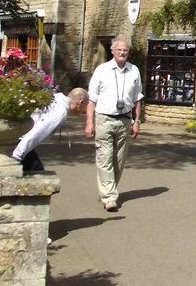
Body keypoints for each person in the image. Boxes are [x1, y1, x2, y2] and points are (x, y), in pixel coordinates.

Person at [85, 37, 143, 212]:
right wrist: (89, 122)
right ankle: (110, 197)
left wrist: (137, 121)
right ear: (112, 51)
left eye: (125, 50)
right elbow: (92, 99)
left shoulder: (134, 71)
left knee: (119, 160)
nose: (122, 53)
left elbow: (138, 98)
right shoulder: (102, 70)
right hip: (104, 118)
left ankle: (107, 189)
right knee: (105, 157)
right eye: (119, 50)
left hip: (125, 119)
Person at [13, 87, 88, 171]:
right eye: (85, 107)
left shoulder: (56, 98)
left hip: (19, 139)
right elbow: (36, 134)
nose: (83, 112)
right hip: (19, 143)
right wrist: (16, 157)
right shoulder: (60, 112)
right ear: (80, 103)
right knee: (38, 176)